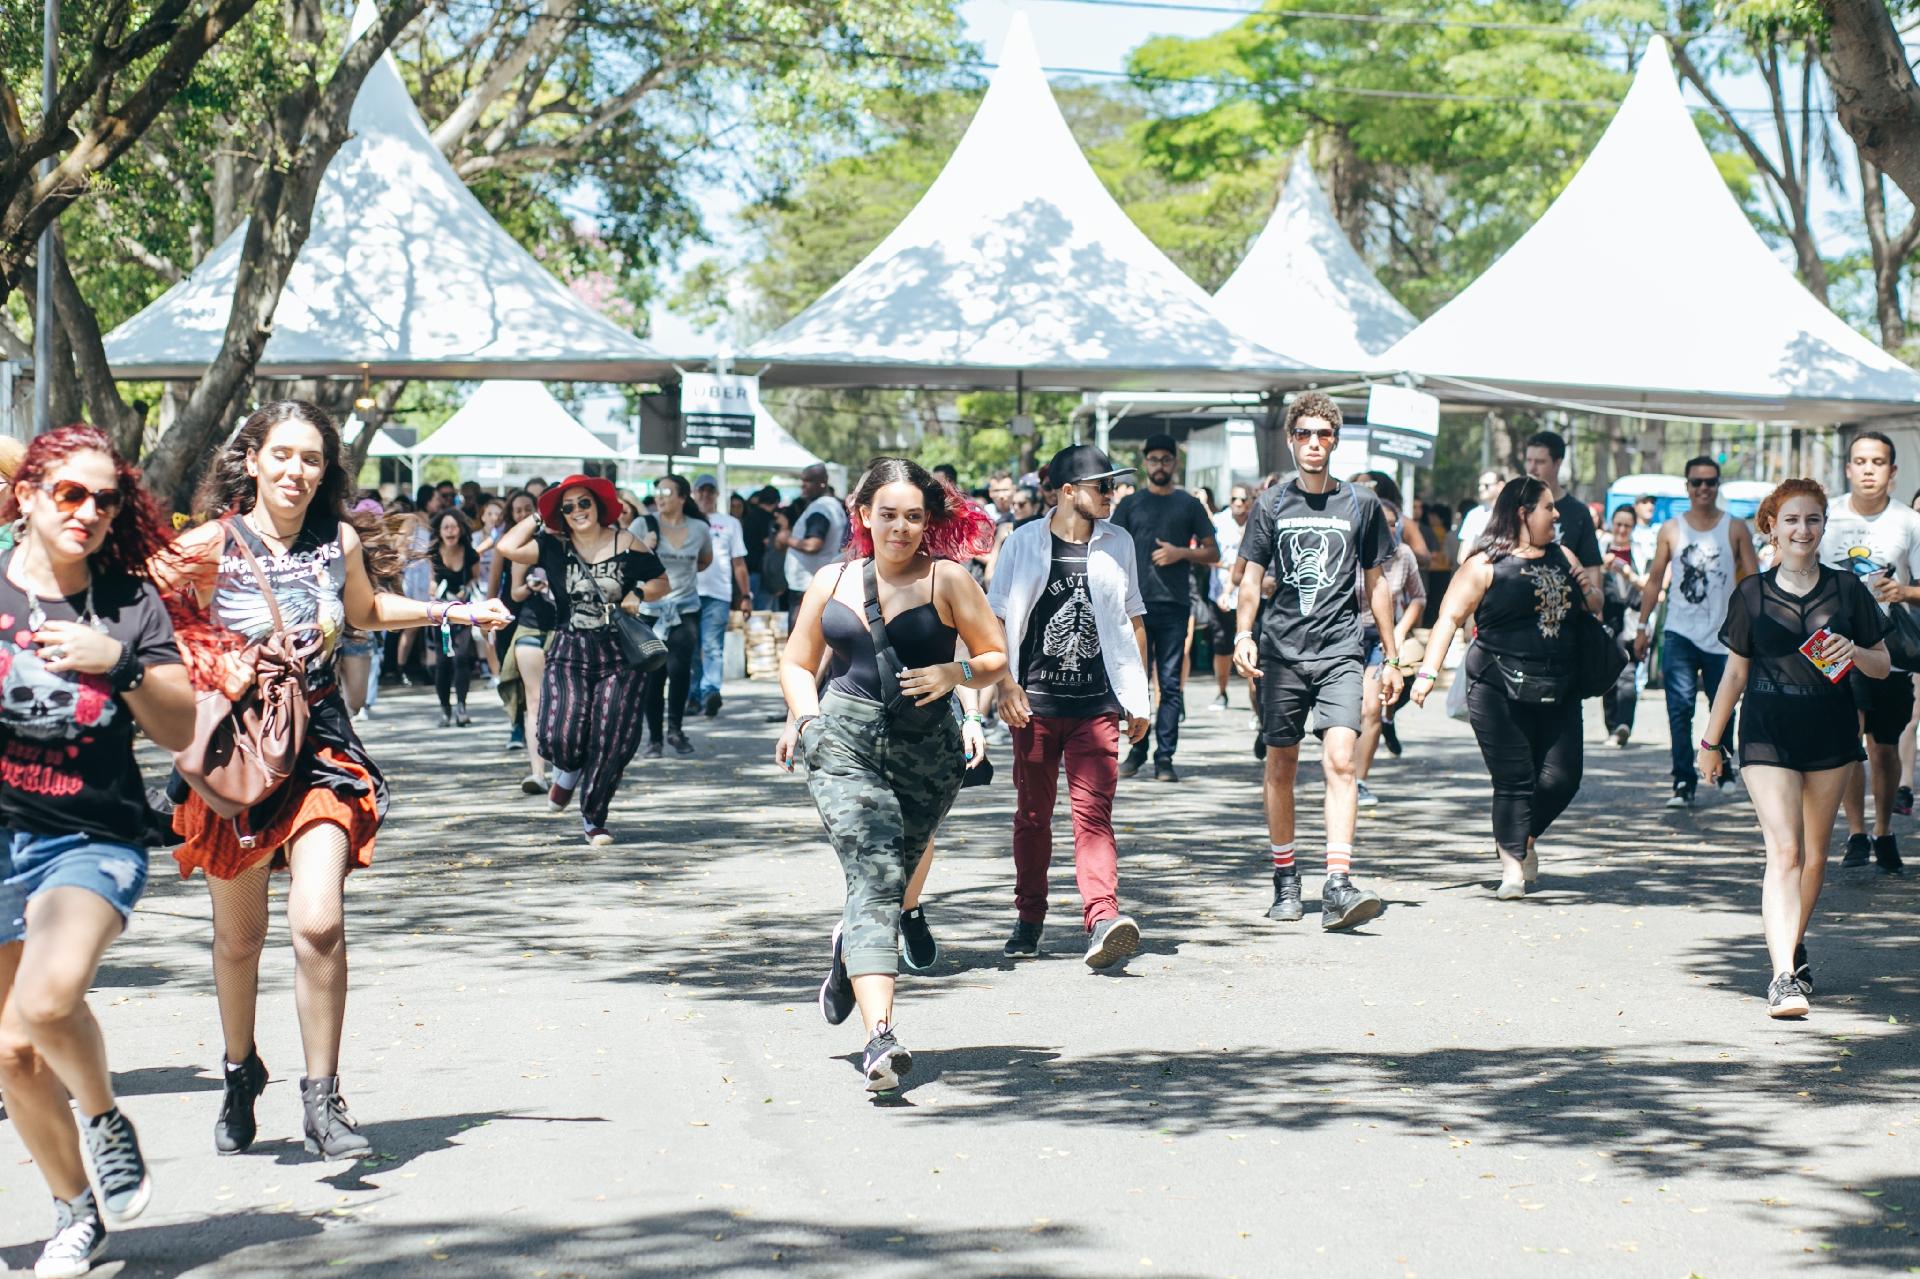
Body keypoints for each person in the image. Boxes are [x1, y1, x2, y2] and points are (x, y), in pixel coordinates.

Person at [166, 401, 511, 1162]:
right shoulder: (207, 547)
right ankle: (239, 1068)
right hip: (239, 756)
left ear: (326, 471)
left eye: (312, 459)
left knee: (317, 922)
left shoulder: (338, 541)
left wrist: (456, 612)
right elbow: (142, 615)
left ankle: (323, 1099)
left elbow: (365, 609)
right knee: (239, 937)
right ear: (251, 458)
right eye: (282, 455)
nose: (296, 471)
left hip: (321, 743)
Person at [0, 426, 199, 1276]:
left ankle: (105, 1115)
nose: (87, 511)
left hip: (92, 837)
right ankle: (75, 1209)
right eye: (69, 494)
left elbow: (183, 724)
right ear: (28, 497)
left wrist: (116, 661)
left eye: (105, 498)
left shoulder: (127, 604)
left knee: (46, 1006)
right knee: (9, 1050)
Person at [775, 458, 1004, 1092]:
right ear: (863, 517)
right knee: (875, 875)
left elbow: (993, 656)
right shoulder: (833, 579)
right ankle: (882, 1038)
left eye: (913, 517)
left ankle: (850, 945)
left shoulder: (949, 580)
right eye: (887, 515)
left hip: (927, 751)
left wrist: (953, 676)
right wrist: (806, 718)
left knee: (892, 875)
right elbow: (798, 661)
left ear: (926, 523)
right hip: (844, 742)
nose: (899, 528)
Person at [1696, 478, 1891, 1016]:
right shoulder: (1752, 594)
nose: (1802, 529)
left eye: (1812, 520)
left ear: (1823, 526)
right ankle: (1783, 977)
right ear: (1772, 527)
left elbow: (1881, 664)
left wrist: (1852, 649)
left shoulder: (1847, 590)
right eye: (1791, 520)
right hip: (1766, 733)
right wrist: (1711, 742)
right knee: (1784, 850)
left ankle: (1794, 942)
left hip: (1830, 735)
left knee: (1812, 857)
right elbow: (1734, 674)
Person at [1233, 392, 1400, 931]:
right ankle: (1286, 879)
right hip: (1281, 652)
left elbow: (1377, 586)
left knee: (1342, 761)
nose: (1313, 444)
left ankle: (1337, 882)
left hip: (1340, 650)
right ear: (1290, 440)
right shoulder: (1272, 504)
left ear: (1335, 440)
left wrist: (1393, 657)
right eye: (1303, 434)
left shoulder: (1362, 504)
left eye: (1322, 435)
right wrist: (1243, 634)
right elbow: (1250, 579)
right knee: (1281, 763)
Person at [989, 444, 1151, 966]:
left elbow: (1134, 619)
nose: (1112, 494)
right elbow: (994, 620)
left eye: (1113, 486)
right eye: (1102, 486)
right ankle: (1029, 917)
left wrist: (1139, 695)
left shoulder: (1118, 541)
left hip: (1097, 705)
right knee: (1033, 818)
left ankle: (1103, 917)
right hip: (1033, 706)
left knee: (1094, 818)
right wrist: (1004, 686)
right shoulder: (1021, 543)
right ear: (1067, 492)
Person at [1414, 477, 1604, 898]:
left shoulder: (1564, 556)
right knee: (1515, 778)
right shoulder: (1484, 564)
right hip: (1496, 685)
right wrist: (1427, 675)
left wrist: (1587, 586)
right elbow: (1448, 618)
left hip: (1559, 682)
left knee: (1562, 778)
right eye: (1548, 508)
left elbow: (1595, 606)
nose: (1556, 515)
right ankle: (1513, 867)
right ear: (1523, 513)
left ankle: (1526, 837)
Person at [497, 476, 667, 843]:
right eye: (568, 506)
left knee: (612, 737)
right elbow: (507, 547)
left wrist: (637, 592)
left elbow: (661, 582)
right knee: (560, 733)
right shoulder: (553, 546)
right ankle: (568, 771)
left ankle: (594, 817)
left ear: (598, 505)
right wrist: (541, 514)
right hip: (570, 649)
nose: (577, 512)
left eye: (583, 503)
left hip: (620, 654)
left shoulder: (625, 541)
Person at [1815, 432, 1918, 875]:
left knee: (1884, 748)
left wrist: (1904, 591)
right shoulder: (1826, 516)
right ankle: (1855, 831)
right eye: (1861, 461)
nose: (1869, 469)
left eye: (1878, 462)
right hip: (1833, 645)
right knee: (1846, 740)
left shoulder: (1909, 524)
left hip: (1890, 646)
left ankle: (1882, 831)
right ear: (1848, 469)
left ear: (1893, 472)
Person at [1634, 455, 1758, 807]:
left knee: (1725, 705)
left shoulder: (1734, 527)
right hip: (1679, 633)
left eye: (1710, 482)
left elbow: (1752, 580)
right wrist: (1643, 627)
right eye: (1697, 482)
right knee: (1679, 708)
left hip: (1724, 635)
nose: (1704, 488)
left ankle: (1723, 764)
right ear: (1686, 486)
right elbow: (1655, 579)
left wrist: (1755, 627)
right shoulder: (1671, 529)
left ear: (1718, 486)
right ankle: (1682, 781)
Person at [1111, 433, 1217, 783]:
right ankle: (1137, 749)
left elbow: (1213, 553)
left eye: (1166, 459)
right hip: (1133, 607)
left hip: (1174, 604)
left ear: (1175, 463)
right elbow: (1109, 550)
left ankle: (1165, 758)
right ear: (1146, 464)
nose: (1160, 466)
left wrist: (1180, 553)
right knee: (1136, 681)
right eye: (1153, 460)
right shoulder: (1130, 505)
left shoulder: (1188, 504)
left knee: (1170, 684)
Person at [1353, 495, 1426, 807]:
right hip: (1345, 636)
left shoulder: (1404, 555)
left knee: (1371, 707)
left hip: (1382, 638)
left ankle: (1358, 780)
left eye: (1393, 525)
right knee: (1344, 710)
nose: (1388, 530)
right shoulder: (1350, 551)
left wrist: (1398, 628)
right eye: (1381, 525)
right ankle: (1339, 771)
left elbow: (1418, 597)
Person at [633, 475, 713, 757]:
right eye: (657, 492)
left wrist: (683, 579)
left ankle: (675, 731)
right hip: (650, 612)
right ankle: (654, 738)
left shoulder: (700, 528)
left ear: (682, 497)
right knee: (654, 674)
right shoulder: (643, 525)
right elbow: (625, 560)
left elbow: (704, 560)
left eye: (667, 491)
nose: (661, 496)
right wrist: (645, 544)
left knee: (680, 671)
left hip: (685, 609)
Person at [690, 474, 749, 719]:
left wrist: (745, 594)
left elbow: (738, 562)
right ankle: (692, 695)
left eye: (710, 491)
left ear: (716, 494)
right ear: (693, 494)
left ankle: (710, 692)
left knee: (712, 646)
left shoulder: (729, 523)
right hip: (687, 592)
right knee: (690, 648)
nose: (705, 495)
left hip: (718, 593)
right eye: (701, 491)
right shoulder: (688, 521)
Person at [1521, 431, 1602, 589]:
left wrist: (1595, 609)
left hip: (1566, 603)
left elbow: (1592, 568)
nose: (1532, 468)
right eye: (1529, 460)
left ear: (1558, 463)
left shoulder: (1578, 512)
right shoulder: (1515, 505)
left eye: (1540, 462)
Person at [776, 464, 847, 630]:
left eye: (808, 481)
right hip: (815, 581)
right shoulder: (833, 506)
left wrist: (787, 539)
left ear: (822, 482)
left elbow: (813, 544)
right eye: (802, 481)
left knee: (799, 633)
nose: (803, 485)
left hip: (806, 584)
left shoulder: (821, 508)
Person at [428, 508, 481, 727]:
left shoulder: (470, 553)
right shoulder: (433, 553)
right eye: (446, 527)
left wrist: (465, 590)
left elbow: (475, 579)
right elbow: (430, 582)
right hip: (440, 613)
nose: (451, 531)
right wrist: (435, 594)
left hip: (463, 611)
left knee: (461, 658)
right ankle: (444, 709)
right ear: (439, 532)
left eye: (454, 527)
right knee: (442, 662)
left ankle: (461, 706)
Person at [1602, 505, 1648, 746]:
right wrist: (1602, 566)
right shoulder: (1600, 548)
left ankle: (1623, 725)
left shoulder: (1641, 552)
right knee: (1608, 676)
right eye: (1618, 524)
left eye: (1627, 526)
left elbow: (1650, 586)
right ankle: (1612, 727)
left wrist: (1629, 573)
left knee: (1628, 675)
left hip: (1631, 621)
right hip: (1606, 621)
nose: (1621, 530)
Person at [1207, 484, 1252, 710]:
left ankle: (1256, 704)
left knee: (1252, 644)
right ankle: (1221, 692)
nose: (1238, 503)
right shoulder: (1219, 522)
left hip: (1250, 596)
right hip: (1220, 594)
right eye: (1234, 498)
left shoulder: (1256, 521)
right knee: (1222, 646)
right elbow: (1208, 554)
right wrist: (1227, 567)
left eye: (1243, 499)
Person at [1456, 470, 1503, 558]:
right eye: (1479, 485)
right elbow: (1463, 556)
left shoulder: (1514, 512)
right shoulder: (1474, 515)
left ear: (1500, 486)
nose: (1481, 489)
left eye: (1486, 485)